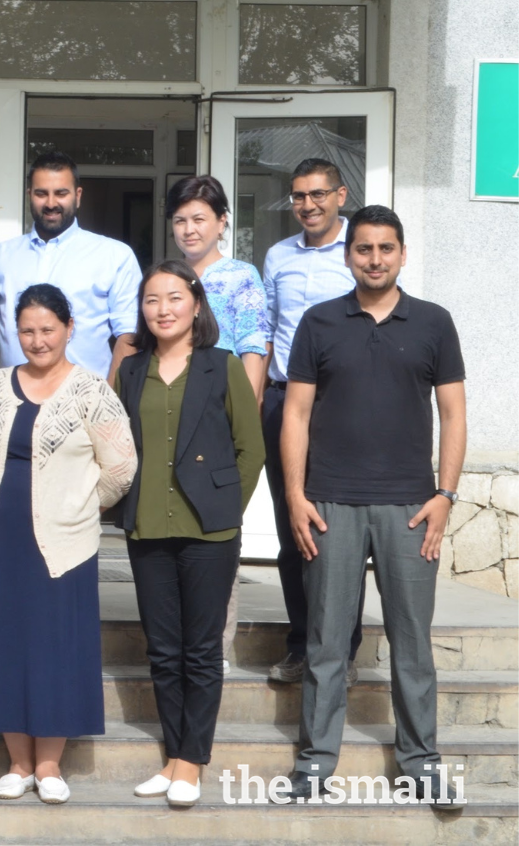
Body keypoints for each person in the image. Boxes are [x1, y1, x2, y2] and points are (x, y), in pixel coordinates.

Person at [278, 205, 466, 806]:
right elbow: (296, 414)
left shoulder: (434, 323)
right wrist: (294, 496)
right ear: (348, 255)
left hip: (411, 508)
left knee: (412, 642)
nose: (376, 259)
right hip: (331, 502)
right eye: (364, 249)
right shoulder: (319, 322)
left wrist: (445, 495)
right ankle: (315, 762)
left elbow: (454, 414)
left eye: (386, 248)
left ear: (403, 254)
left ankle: (421, 761)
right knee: (327, 641)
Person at [0, 283, 136, 806]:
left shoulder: (91, 391)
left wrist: (81, 507)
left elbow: (121, 467)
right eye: (28, 331)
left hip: (63, 543)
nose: (37, 341)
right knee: (7, 645)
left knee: (55, 649)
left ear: (69, 329)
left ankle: (51, 764)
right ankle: (17, 763)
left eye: (48, 330)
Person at [114, 260, 264, 807]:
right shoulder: (130, 369)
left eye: (174, 298)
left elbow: (252, 447)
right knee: (163, 649)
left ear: (196, 305)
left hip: (209, 532)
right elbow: (116, 444)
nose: (163, 309)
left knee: (201, 651)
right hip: (147, 525)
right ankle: (172, 756)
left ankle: (191, 762)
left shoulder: (221, 366)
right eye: (152, 300)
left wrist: (226, 509)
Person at [261, 158, 365, 687]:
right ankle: (301, 644)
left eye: (318, 194)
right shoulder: (277, 256)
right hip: (285, 404)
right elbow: (268, 333)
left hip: (342, 404)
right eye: (299, 196)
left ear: (339, 195)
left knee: (345, 531)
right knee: (291, 528)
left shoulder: (360, 253)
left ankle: (342, 651)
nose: (309, 205)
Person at [166, 175, 272, 672]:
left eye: (199, 219)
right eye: (181, 220)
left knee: (218, 532)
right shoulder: (167, 277)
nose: (189, 230)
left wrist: (243, 422)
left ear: (222, 222)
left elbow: (253, 347)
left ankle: (214, 651)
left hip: (218, 417)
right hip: (171, 416)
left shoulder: (239, 276)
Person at [0, 151, 141, 383]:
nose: (51, 203)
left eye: (61, 193)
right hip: (14, 404)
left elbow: (129, 334)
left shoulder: (114, 256)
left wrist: (107, 400)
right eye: (42, 194)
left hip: (87, 406)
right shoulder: (2, 256)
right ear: (29, 195)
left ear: (77, 195)